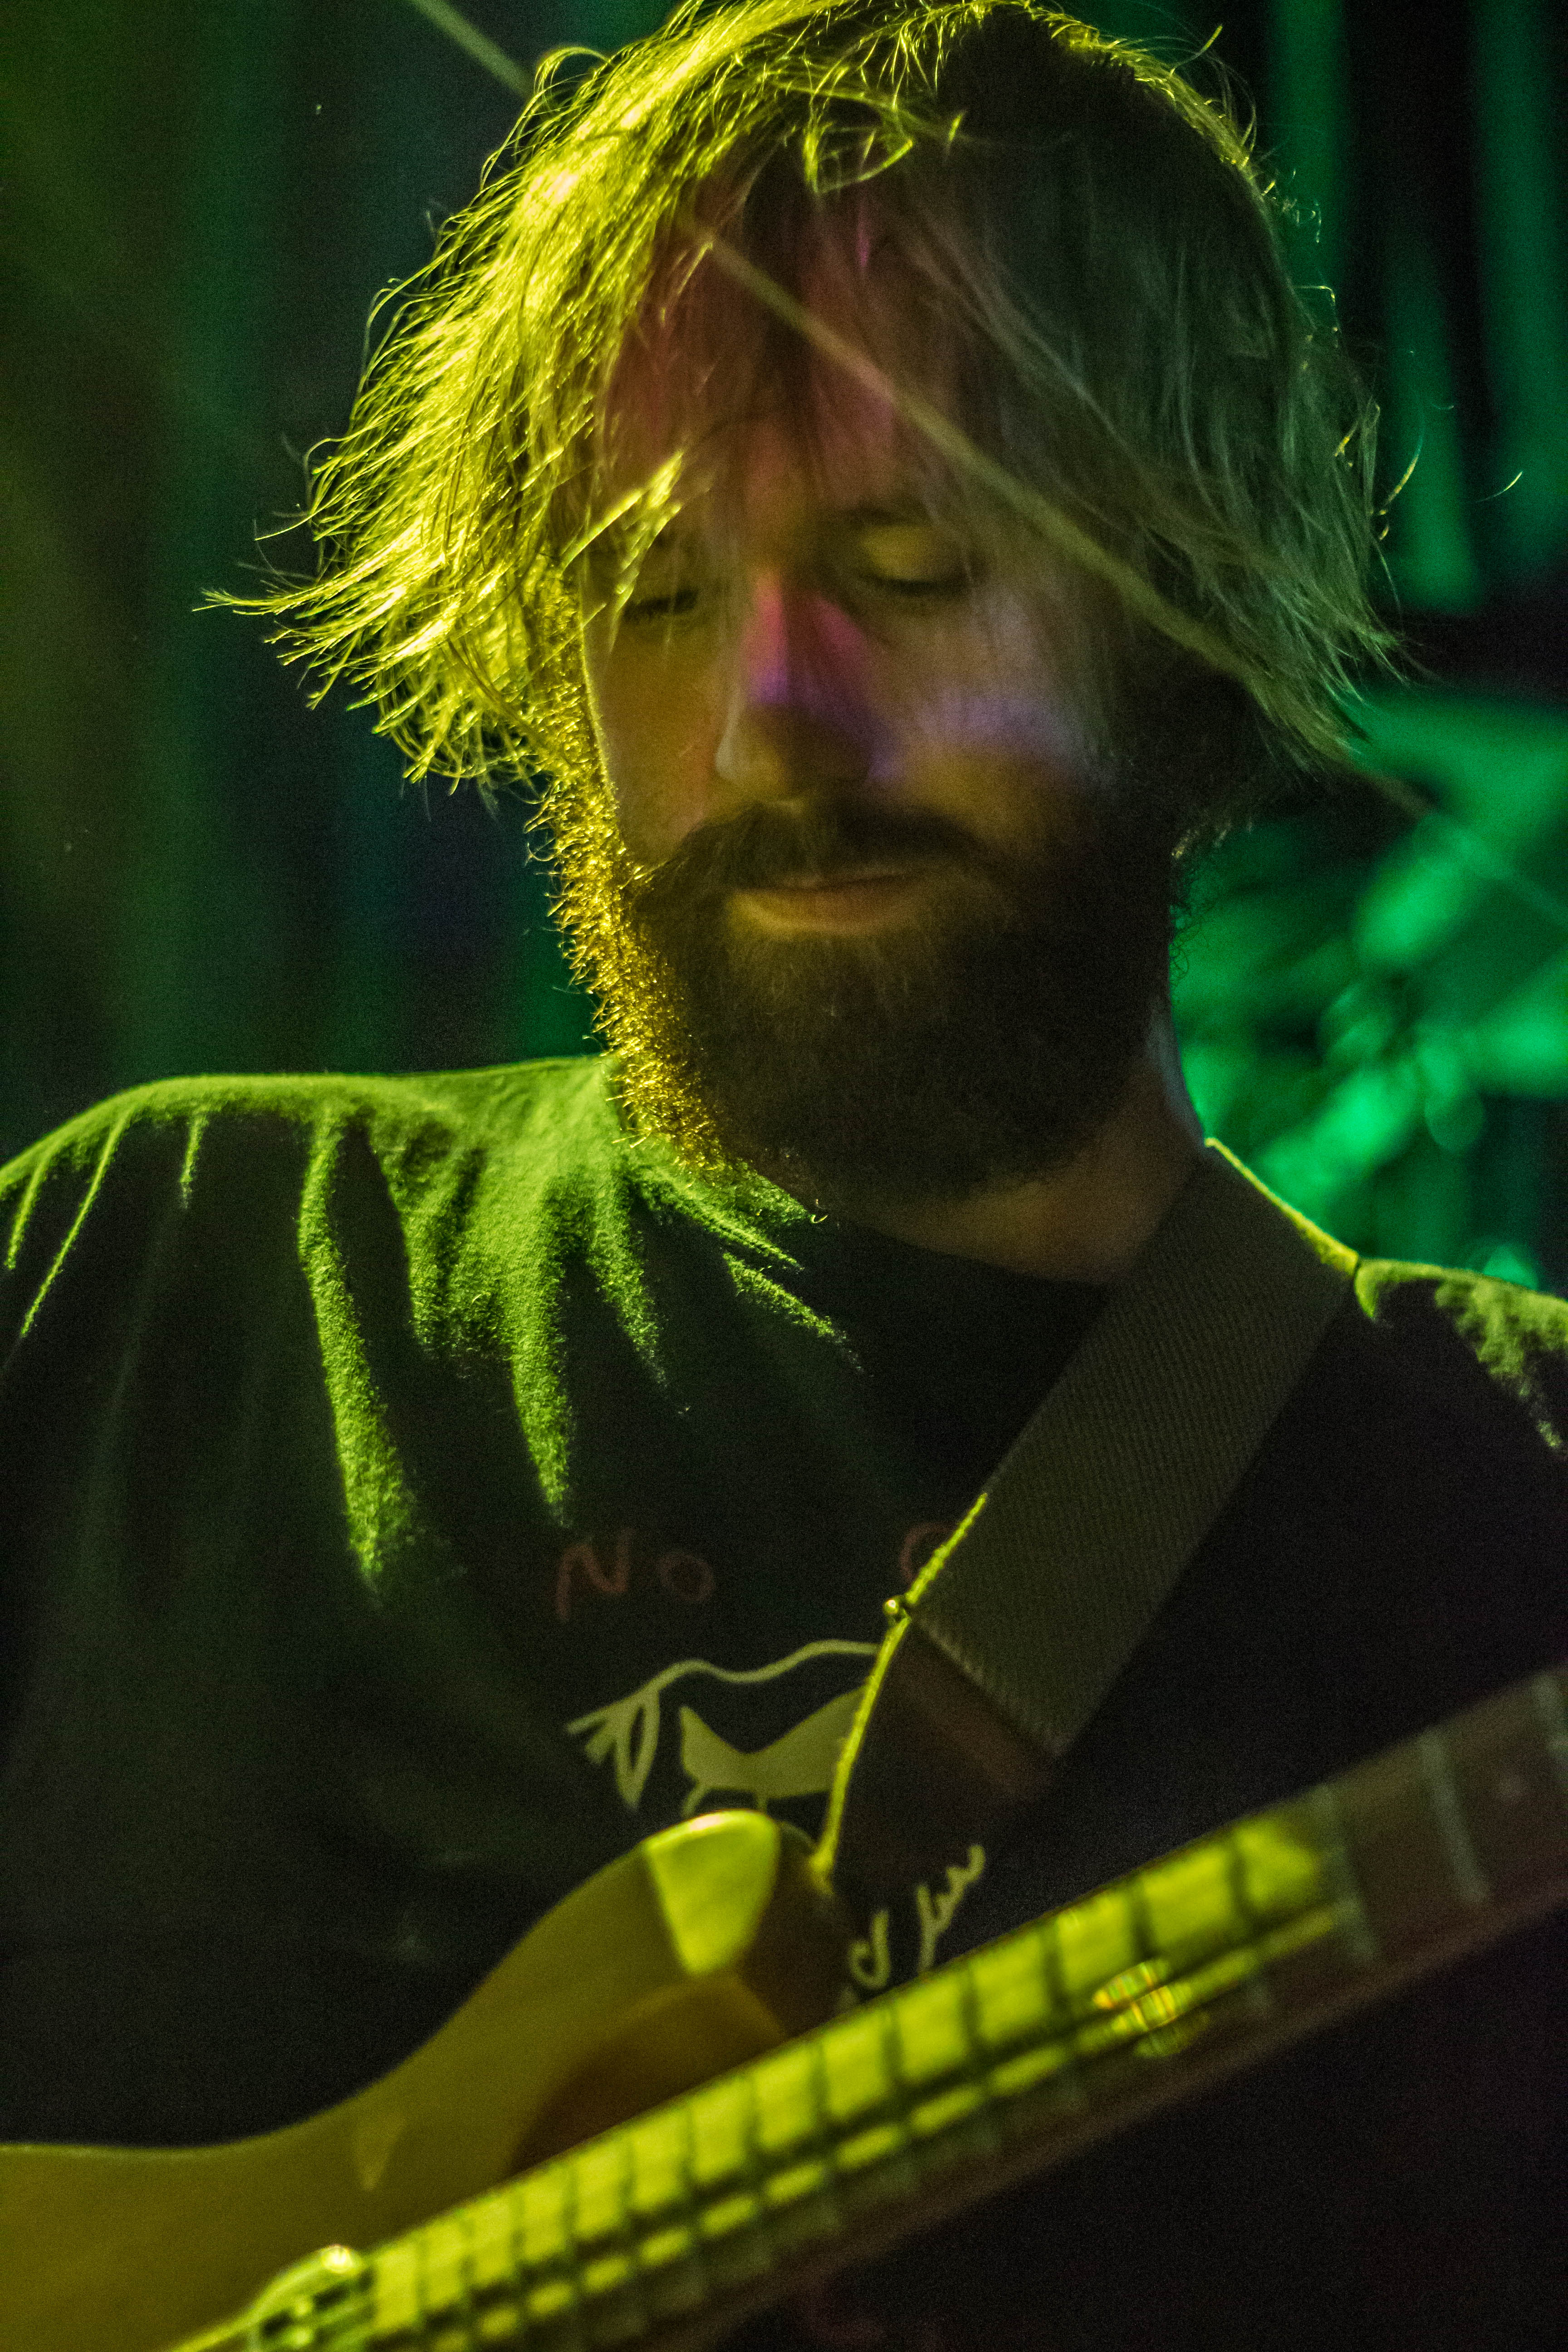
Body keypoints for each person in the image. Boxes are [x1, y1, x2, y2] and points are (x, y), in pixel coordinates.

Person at [2, 3, 1564, 2344]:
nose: (766, 716)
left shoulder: (1511, 1515)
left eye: (910, 564)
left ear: (1187, 608)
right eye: (649, 594)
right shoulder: (163, 1293)